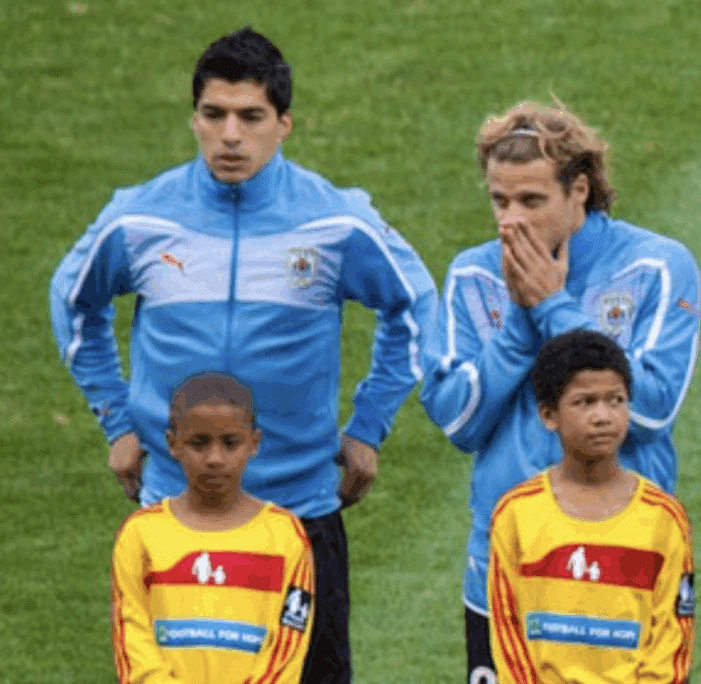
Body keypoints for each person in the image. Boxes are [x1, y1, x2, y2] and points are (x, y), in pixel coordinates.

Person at [50, 27, 436, 684]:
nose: (231, 135)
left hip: (299, 512)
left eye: (251, 117)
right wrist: (116, 418)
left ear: (284, 123)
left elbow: (416, 305)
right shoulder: (138, 218)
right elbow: (73, 303)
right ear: (193, 119)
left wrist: (369, 424)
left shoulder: (335, 222)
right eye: (214, 115)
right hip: (176, 511)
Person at [418, 101, 701, 683]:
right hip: (509, 568)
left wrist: (553, 305)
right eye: (499, 201)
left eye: (531, 201)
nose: (509, 222)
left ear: (579, 191)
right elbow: (456, 421)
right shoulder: (474, 275)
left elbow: (651, 409)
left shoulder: (657, 267)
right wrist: (523, 326)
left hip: (626, 564)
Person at [489, 330, 694, 683]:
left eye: (615, 400)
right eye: (585, 402)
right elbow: (508, 631)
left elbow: (673, 640)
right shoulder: (516, 514)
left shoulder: (664, 518)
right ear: (549, 415)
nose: (603, 416)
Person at [111, 372, 315, 684]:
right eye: (199, 443)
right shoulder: (141, 534)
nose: (215, 459)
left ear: (254, 444)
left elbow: (289, 646)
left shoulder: (285, 535)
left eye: (230, 443)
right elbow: (132, 640)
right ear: (172, 444)